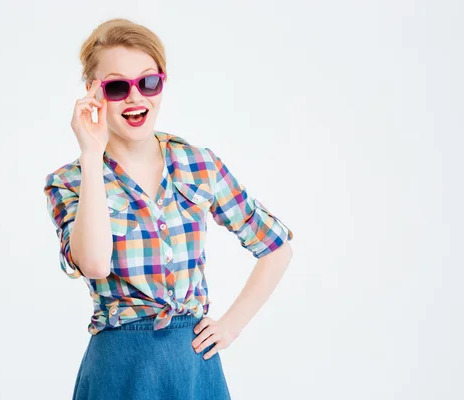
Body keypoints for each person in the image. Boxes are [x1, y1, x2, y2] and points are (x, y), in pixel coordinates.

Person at [43, 18, 294, 399]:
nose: (135, 97)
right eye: (115, 87)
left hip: (192, 365)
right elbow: (93, 264)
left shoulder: (198, 164)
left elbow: (276, 247)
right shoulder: (70, 181)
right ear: (94, 94)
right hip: (118, 368)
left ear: (162, 83)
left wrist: (230, 326)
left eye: (147, 82)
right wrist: (91, 155)